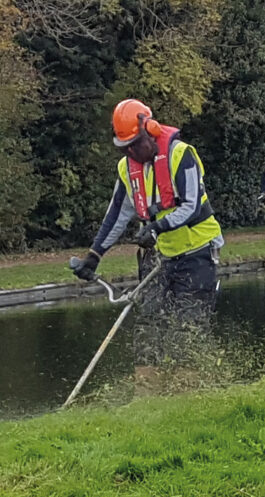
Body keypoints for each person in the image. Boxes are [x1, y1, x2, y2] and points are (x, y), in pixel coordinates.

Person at [72, 98, 224, 370]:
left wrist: (157, 227)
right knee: (148, 326)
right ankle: (147, 392)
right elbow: (116, 216)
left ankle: (190, 390)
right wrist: (94, 256)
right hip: (159, 257)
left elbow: (191, 206)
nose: (131, 151)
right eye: (125, 147)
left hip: (196, 252)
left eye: (135, 144)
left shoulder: (181, 155)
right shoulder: (127, 169)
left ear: (151, 129)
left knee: (187, 328)